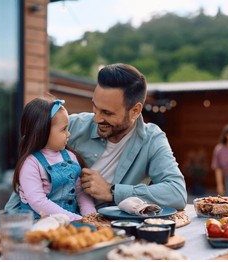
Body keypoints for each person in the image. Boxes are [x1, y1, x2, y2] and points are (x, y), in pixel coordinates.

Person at [67, 63, 187, 210]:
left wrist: (112, 191)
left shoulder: (152, 139)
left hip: (114, 229)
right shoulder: (71, 125)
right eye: (95, 107)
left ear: (135, 111)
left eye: (107, 113)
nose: (96, 119)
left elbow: (177, 193)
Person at [10, 97, 96, 221]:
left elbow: (80, 193)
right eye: (63, 129)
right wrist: (73, 218)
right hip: (40, 224)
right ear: (42, 131)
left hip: (70, 223)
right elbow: (38, 202)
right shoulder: (31, 164)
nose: (68, 134)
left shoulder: (70, 157)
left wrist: (91, 216)